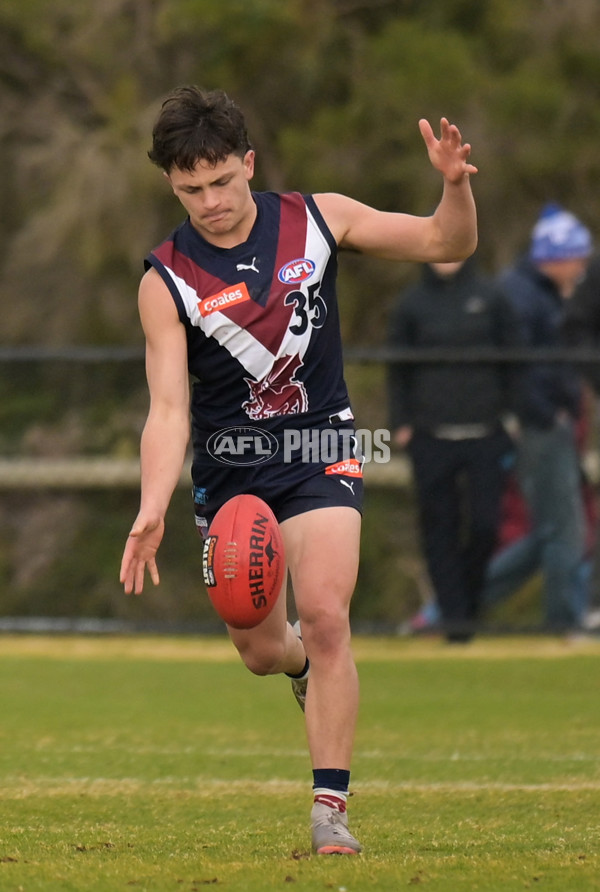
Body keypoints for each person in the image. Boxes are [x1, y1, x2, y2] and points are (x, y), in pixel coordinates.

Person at [119, 85, 478, 855]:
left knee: (324, 613)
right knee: (261, 649)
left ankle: (330, 811)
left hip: (320, 448)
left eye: (222, 181)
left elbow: (446, 246)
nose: (211, 202)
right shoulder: (167, 279)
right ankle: (298, 666)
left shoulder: (318, 220)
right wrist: (152, 504)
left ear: (249, 164)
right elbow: (169, 410)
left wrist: (454, 187)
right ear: (171, 186)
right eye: (191, 190)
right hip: (231, 468)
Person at [388, 256, 519, 642]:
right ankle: (456, 623)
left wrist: (512, 416)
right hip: (430, 437)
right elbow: (398, 370)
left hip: (486, 433)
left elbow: (515, 361)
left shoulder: (491, 296)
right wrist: (402, 423)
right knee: (438, 530)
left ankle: (468, 606)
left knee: (485, 526)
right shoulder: (410, 304)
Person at [497, 202, 593, 633]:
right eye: (578, 258)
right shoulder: (522, 296)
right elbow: (519, 369)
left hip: (552, 424)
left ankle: (448, 609)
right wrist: (548, 414)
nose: (582, 268)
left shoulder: (546, 294)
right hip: (541, 427)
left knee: (549, 534)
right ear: (555, 257)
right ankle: (564, 623)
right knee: (564, 532)